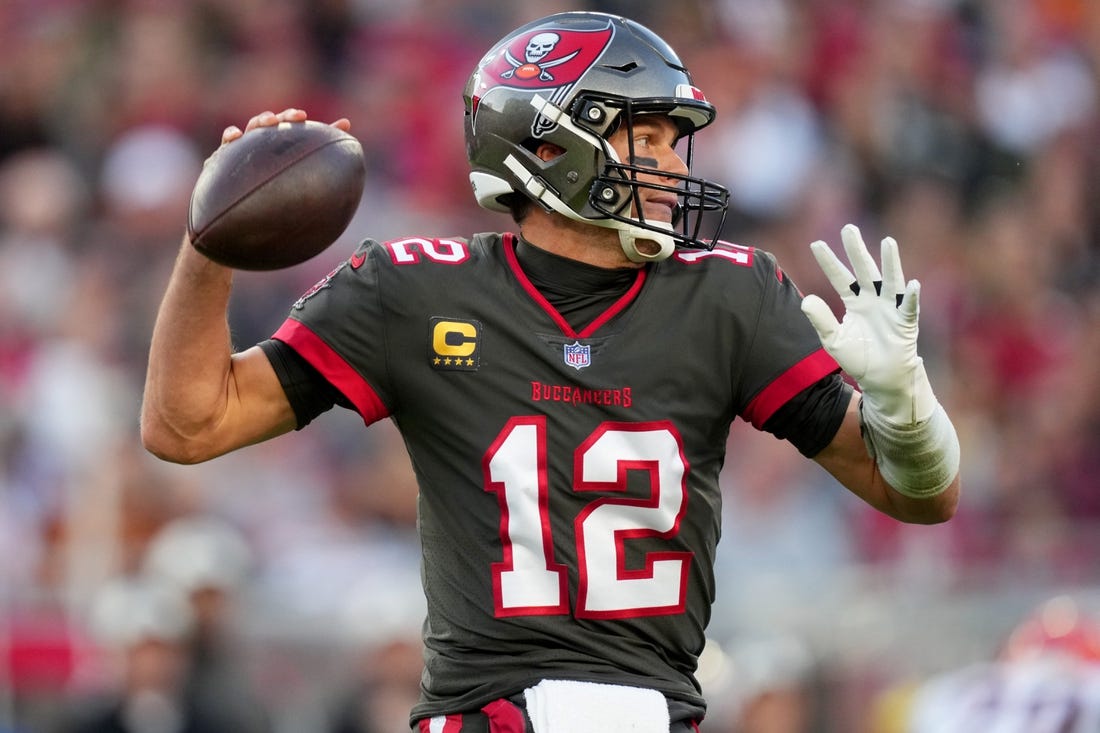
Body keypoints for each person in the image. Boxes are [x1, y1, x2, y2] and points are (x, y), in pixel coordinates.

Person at [140, 11, 960, 733]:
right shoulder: (414, 288)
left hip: (660, 709)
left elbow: (918, 496)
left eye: (675, 141)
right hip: (486, 711)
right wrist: (212, 242)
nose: (671, 165)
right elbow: (188, 423)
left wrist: (904, 406)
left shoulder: (730, 294)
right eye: (644, 137)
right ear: (548, 145)